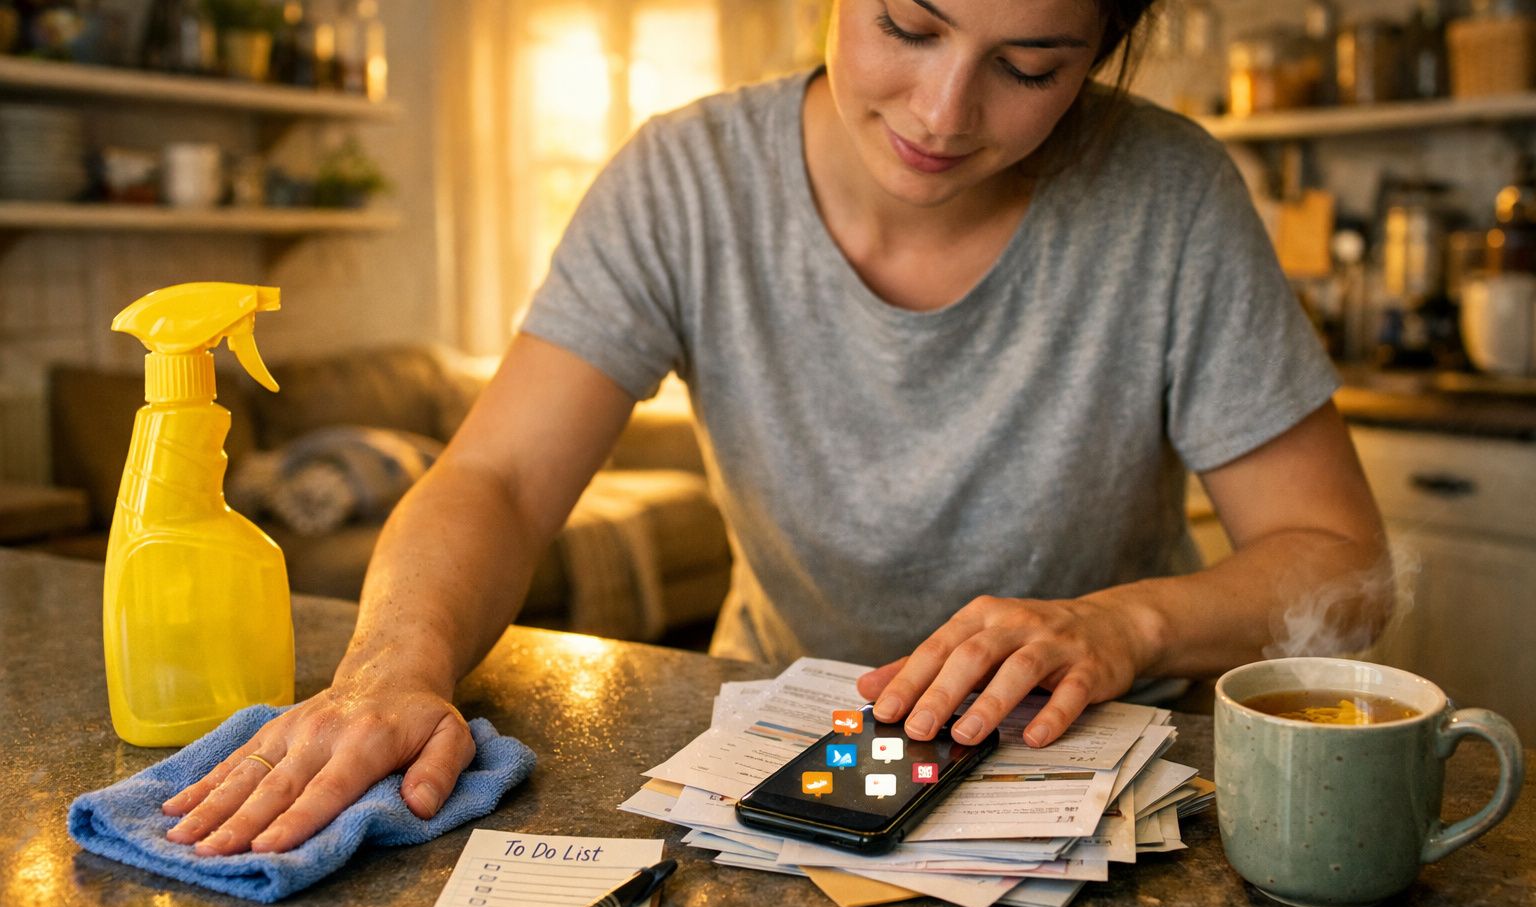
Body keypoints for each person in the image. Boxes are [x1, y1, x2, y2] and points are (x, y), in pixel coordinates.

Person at [162, 0, 1389, 857]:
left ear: (1101, 53)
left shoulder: (1171, 198)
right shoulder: (684, 182)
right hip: (787, 740)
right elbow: (496, 480)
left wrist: (1124, 623)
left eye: (1032, 66)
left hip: (1097, 766)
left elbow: (1344, 561)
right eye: (907, 25)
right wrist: (391, 669)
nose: (944, 109)